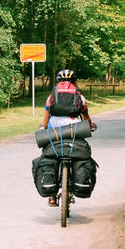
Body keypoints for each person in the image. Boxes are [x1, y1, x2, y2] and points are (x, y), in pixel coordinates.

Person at [39, 69, 96, 206]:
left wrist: (43, 127)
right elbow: (85, 115)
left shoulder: (52, 95)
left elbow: (47, 114)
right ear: (74, 81)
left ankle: (52, 196)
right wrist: (90, 125)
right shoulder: (79, 95)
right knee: (79, 149)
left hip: (55, 128)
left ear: (58, 81)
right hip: (74, 128)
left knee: (51, 154)